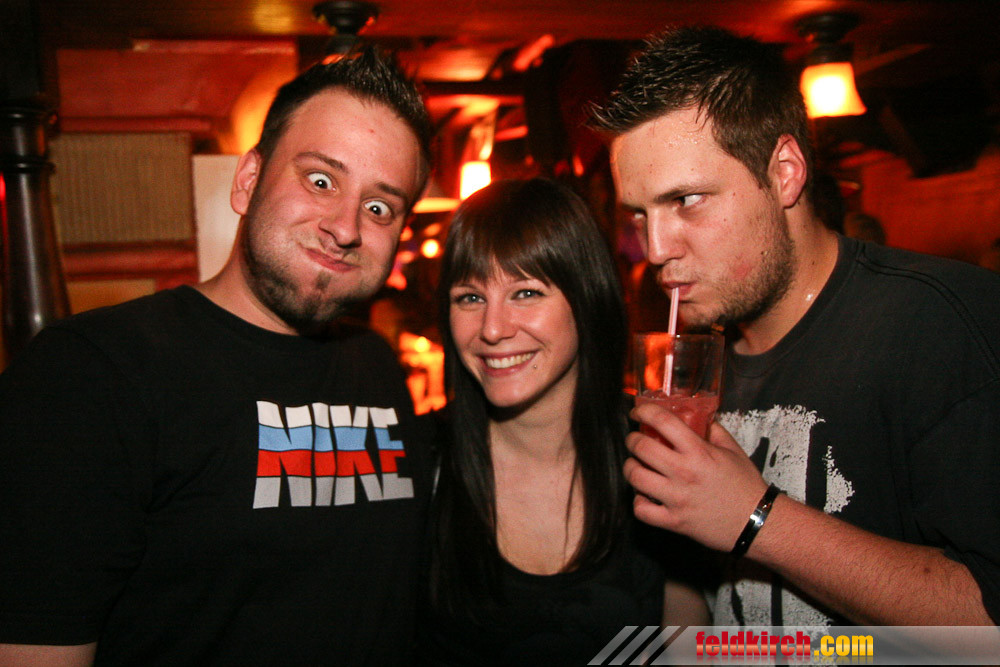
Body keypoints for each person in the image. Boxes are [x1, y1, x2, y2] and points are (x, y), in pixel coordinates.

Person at [0, 47, 436, 665]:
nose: (346, 227)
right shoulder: (89, 373)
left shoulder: (377, 365)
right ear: (248, 179)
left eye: (378, 207)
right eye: (320, 180)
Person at [590, 25, 1000, 626]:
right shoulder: (696, 364)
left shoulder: (941, 323)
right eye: (638, 213)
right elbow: (699, 602)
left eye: (686, 200)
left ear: (785, 172)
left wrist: (757, 519)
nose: (655, 248)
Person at [422, 178, 708, 665]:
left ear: (588, 299)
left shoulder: (655, 451)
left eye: (526, 292)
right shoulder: (417, 461)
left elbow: (684, 634)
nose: (492, 328)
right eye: (469, 298)